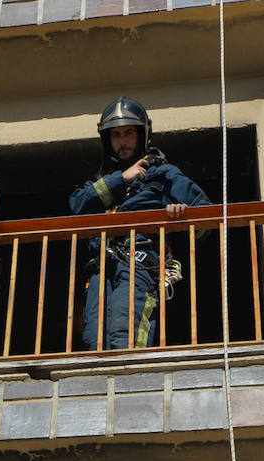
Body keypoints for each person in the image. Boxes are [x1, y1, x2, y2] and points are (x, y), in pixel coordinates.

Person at [69, 97, 210, 351]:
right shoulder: (103, 180)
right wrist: (122, 178)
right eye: (116, 135)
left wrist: (182, 214)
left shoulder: (164, 173)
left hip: (141, 260)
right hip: (102, 265)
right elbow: (78, 206)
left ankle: (131, 381)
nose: (122, 141)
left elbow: (206, 219)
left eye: (129, 133)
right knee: (94, 336)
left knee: (126, 326)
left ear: (142, 135)